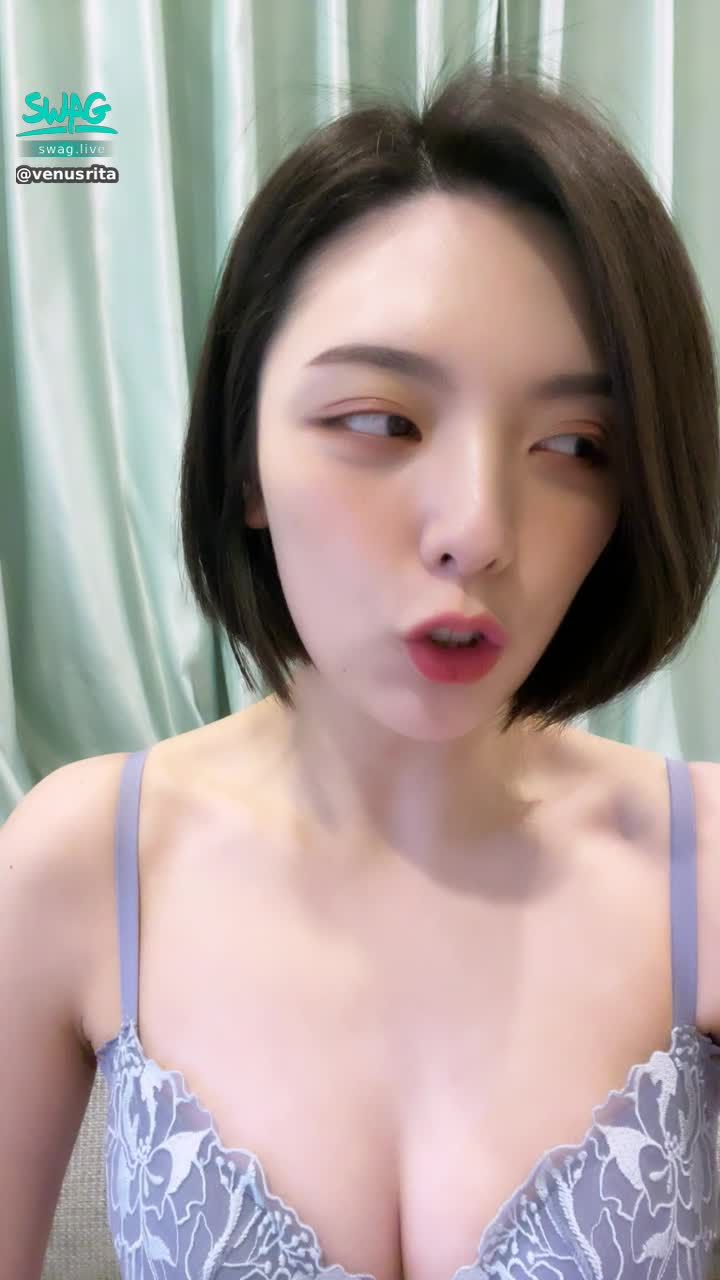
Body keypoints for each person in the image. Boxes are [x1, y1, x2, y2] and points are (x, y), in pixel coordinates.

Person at [2, 57, 720, 1280]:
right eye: (383, 422)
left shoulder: (699, 866)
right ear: (244, 461)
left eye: (573, 444)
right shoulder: (81, 864)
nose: (476, 529)